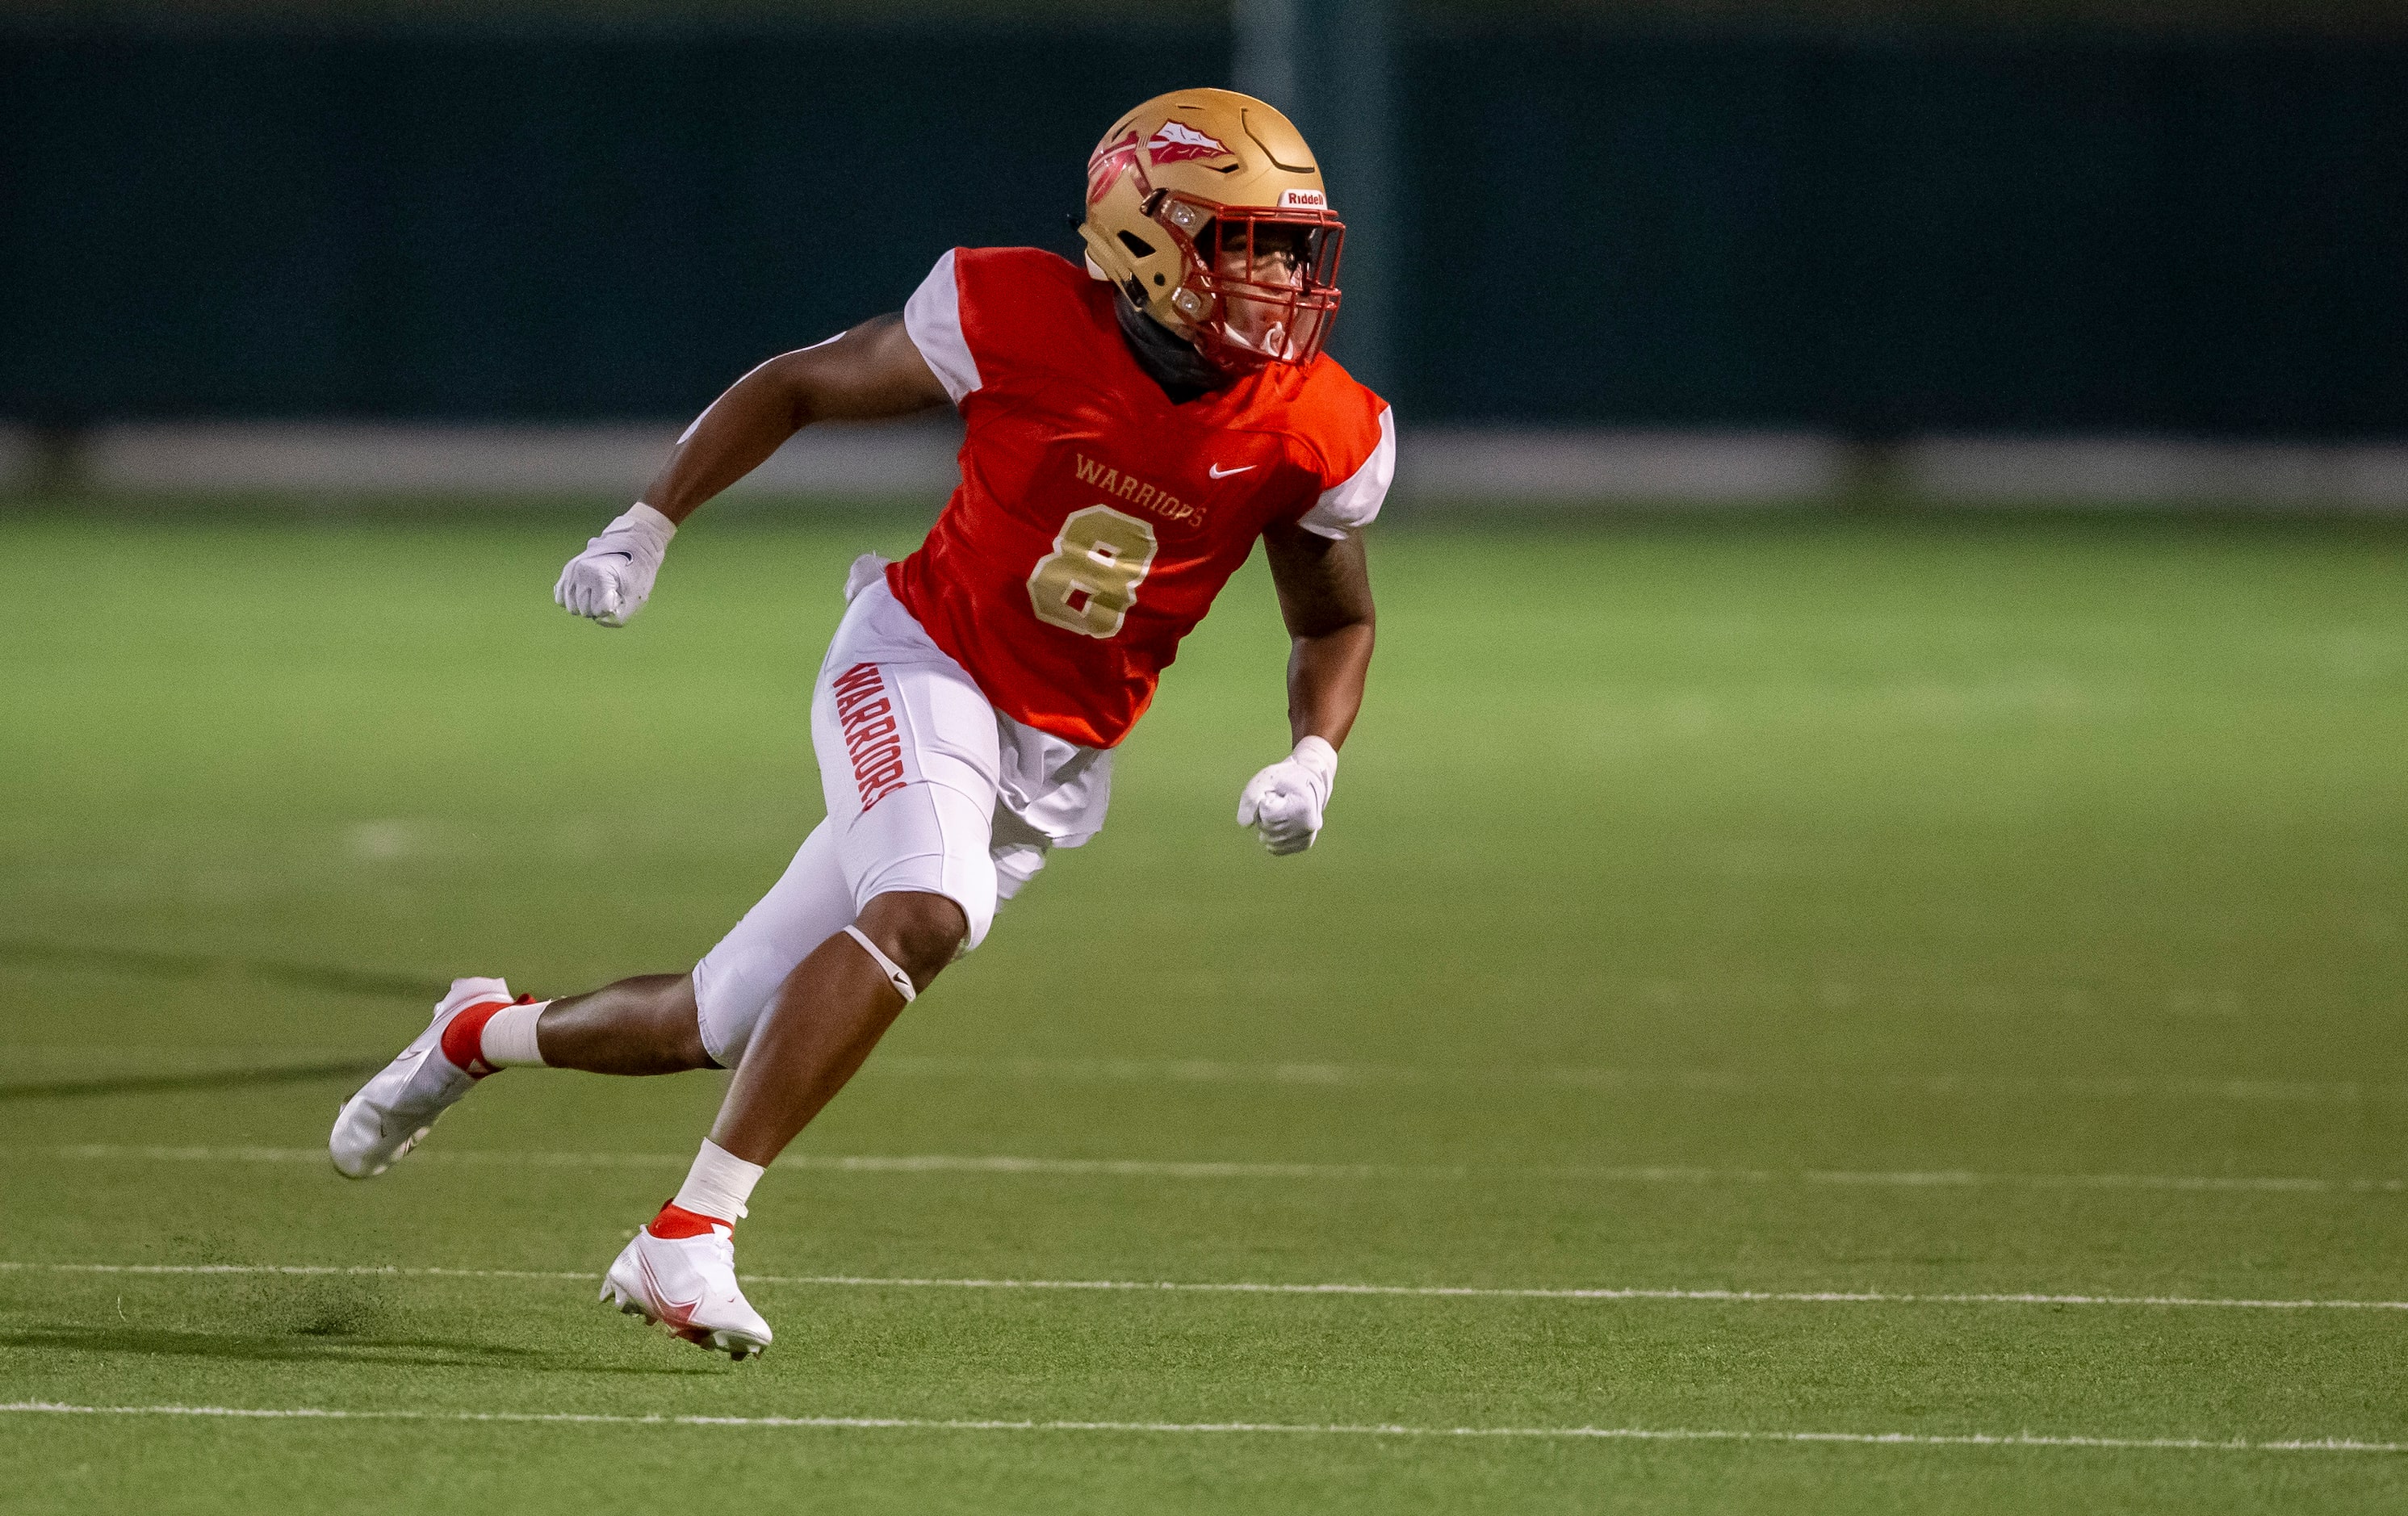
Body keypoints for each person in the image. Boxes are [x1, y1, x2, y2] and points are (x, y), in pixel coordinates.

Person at [328, 87, 1393, 1359]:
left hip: (1047, 761)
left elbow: (1334, 620)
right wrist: (648, 522)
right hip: (915, 659)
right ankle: (687, 1233)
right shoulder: (1017, 312)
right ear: (1149, 235)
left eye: (1292, 245)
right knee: (923, 912)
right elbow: (796, 387)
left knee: (711, 1021)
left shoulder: (1319, 423)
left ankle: (477, 1029)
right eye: (1248, 242)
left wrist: (1315, 755)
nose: (1281, 276)